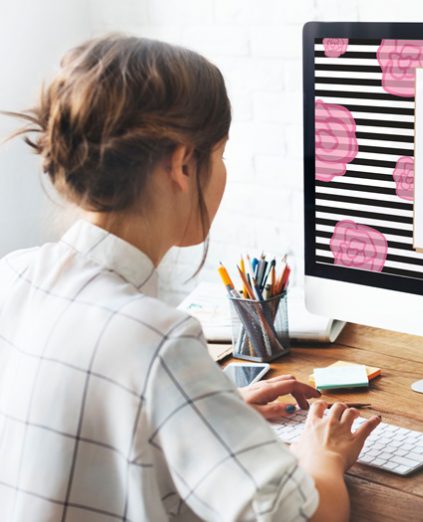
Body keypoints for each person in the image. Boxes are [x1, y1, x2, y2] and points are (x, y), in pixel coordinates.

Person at [0, 34, 380, 521]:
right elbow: (308, 517)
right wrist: (324, 455)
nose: (222, 173)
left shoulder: (16, 276)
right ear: (182, 164)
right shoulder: (156, 339)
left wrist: (207, 408)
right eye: (219, 155)